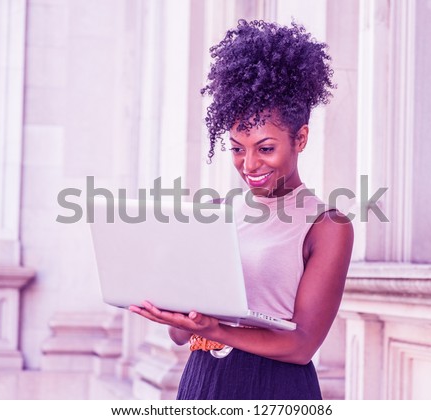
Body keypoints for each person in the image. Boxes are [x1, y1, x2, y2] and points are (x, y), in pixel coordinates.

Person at [129, 19, 353, 400]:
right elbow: (181, 336)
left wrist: (215, 330)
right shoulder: (212, 212)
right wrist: (175, 311)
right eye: (237, 148)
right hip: (202, 380)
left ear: (300, 138)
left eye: (265, 148)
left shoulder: (327, 225)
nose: (249, 165)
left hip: (276, 388)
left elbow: (301, 346)